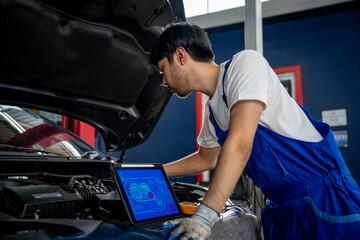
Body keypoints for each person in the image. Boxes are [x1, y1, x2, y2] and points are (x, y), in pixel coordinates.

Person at [150, 22, 360, 240]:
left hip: (326, 198)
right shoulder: (212, 111)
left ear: (181, 56)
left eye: (163, 69)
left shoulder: (245, 64)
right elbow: (204, 159)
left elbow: (240, 143)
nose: (164, 81)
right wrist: (153, 171)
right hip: (284, 209)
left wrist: (204, 217)